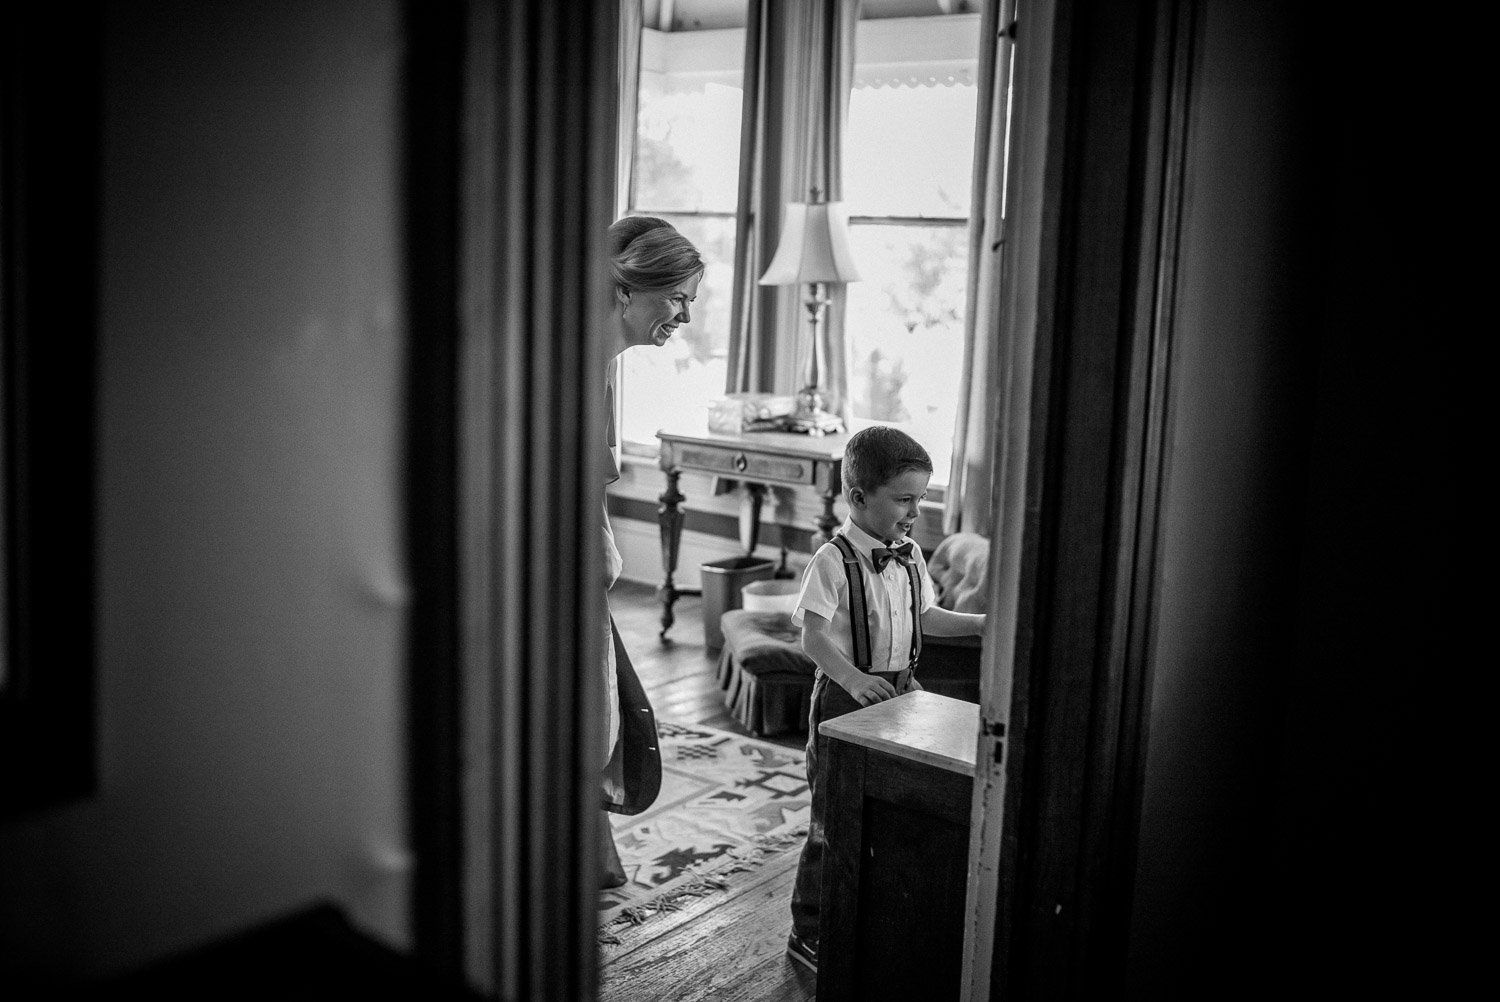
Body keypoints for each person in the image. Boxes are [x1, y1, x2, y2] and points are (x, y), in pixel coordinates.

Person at [784, 426, 987, 971]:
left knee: (888, 807)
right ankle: (809, 929)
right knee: (832, 817)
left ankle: (866, 914)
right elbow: (813, 637)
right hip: (846, 698)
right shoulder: (832, 559)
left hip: (903, 695)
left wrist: (985, 624)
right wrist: (853, 680)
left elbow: (928, 617)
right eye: (904, 499)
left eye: (920, 498)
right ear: (857, 497)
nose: (915, 511)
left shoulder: (911, 553)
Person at [598, 216, 704, 886]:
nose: (685, 317)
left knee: (603, 718)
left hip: (585, 572)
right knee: (592, 721)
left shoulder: (606, 366)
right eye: (678, 298)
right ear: (626, 288)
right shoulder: (566, 365)